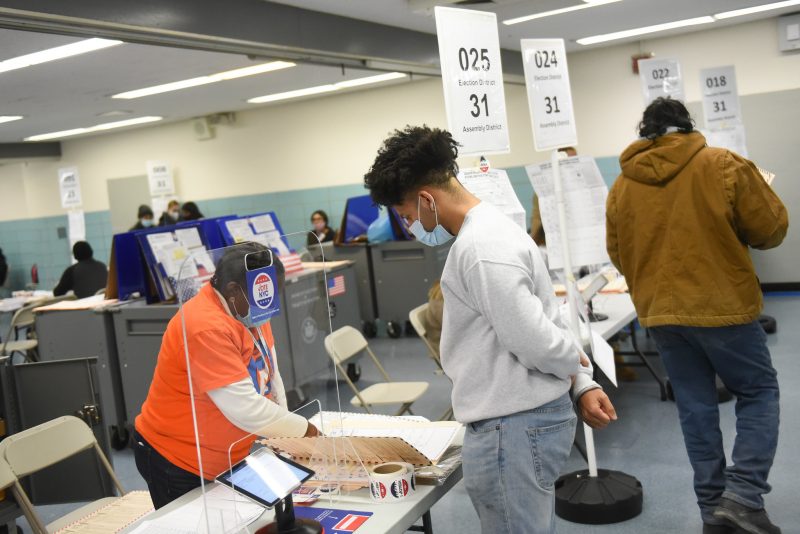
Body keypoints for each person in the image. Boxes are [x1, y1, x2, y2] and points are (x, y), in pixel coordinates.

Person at [364, 126, 617, 534]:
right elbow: (541, 319)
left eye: (409, 215)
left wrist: (575, 363)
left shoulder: (481, 248)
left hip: (511, 428)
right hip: (520, 421)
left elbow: (532, 337)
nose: (412, 225)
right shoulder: (494, 230)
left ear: (428, 198)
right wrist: (580, 381)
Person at [606, 97, 788, 534]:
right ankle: (743, 497)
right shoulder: (722, 164)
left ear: (645, 133)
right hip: (722, 306)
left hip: (661, 315)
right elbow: (771, 230)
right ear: (687, 128)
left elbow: (618, 252)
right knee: (758, 392)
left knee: (695, 406)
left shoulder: (622, 186)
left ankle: (712, 510)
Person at [133, 242, 319, 509]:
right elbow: (245, 409)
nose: (273, 302)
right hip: (176, 459)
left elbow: (271, 375)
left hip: (225, 454)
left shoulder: (249, 307)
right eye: (268, 293)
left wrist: (286, 439)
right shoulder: (205, 326)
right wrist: (305, 431)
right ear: (233, 290)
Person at [530, 146, 576, 246]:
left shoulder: (581, 186)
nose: (573, 163)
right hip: (554, 243)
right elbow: (537, 218)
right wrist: (535, 244)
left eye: (575, 159)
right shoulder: (545, 189)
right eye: (569, 160)